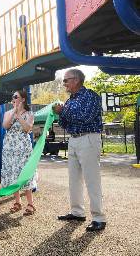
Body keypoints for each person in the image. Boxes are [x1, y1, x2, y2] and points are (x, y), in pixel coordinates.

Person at [53, 68, 106, 232]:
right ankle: (77, 212)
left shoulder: (90, 95)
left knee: (92, 180)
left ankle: (98, 218)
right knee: (73, 179)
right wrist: (60, 114)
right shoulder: (70, 100)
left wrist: (64, 111)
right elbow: (65, 124)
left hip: (89, 138)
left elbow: (85, 117)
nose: (64, 84)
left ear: (76, 80)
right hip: (74, 139)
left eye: (66, 80)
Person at [1, 90, 36, 215]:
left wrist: (19, 115)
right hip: (10, 148)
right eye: (13, 97)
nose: (13, 98)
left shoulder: (30, 114)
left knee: (25, 173)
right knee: (13, 173)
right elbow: (5, 126)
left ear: (23, 99)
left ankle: (31, 204)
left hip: (23, 148)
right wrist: (13, 112)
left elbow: (27, 128)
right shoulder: (7, 113)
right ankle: (17, 202)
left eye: (16, 96)